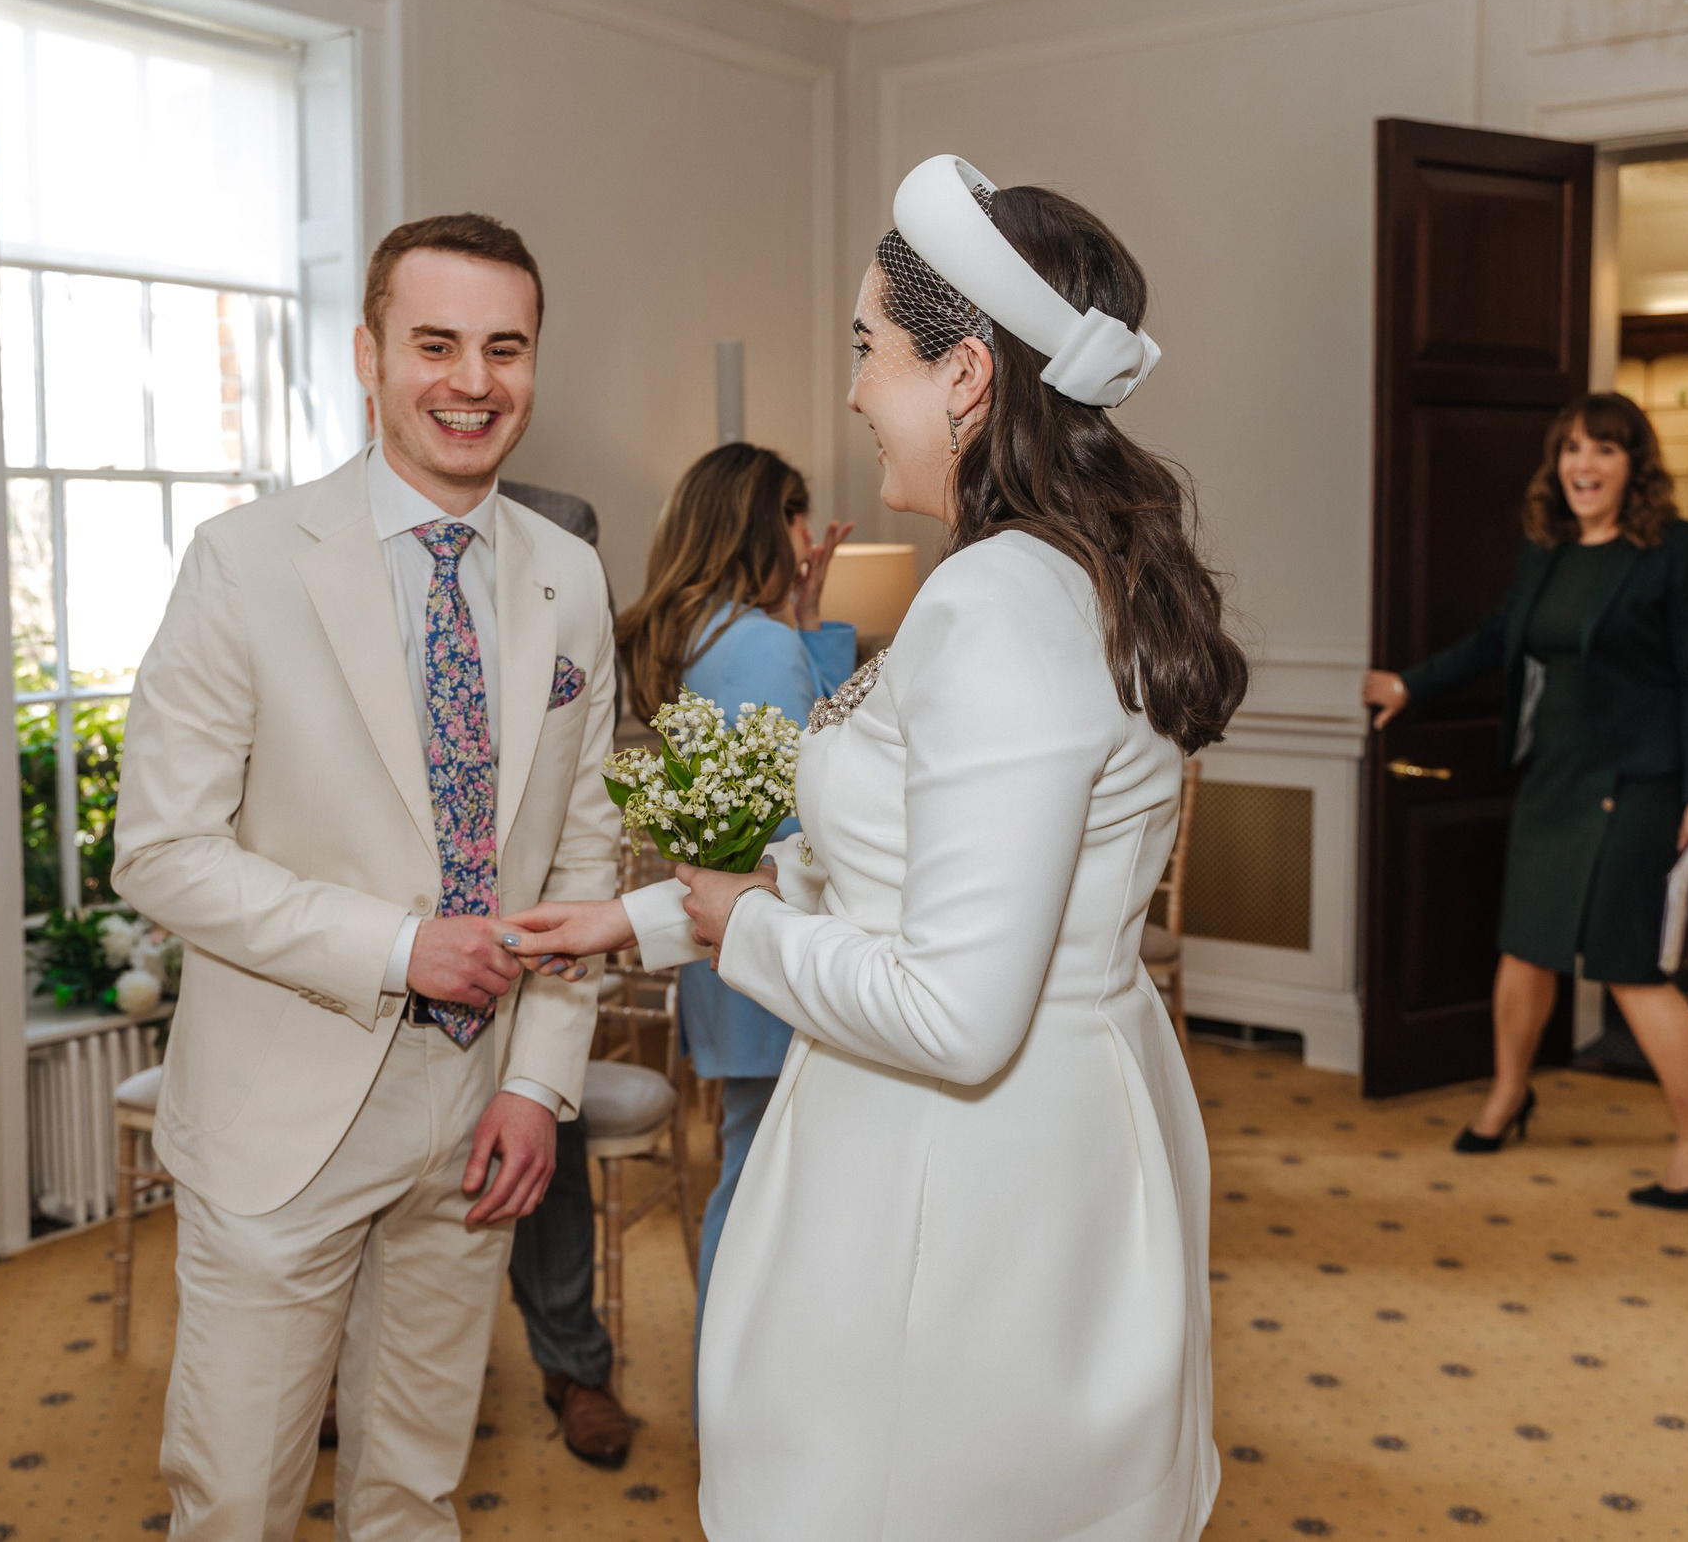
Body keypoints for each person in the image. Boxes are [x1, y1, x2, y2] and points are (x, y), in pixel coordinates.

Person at [508, 156, 1237, 1541]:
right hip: (1061, 1115)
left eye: (868, 349)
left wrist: (732, 928)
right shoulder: (1073, 572)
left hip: (954, 1170)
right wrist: (647, 923)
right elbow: (905, 875)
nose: (852, 391)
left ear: (966, 376)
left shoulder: (995, 607)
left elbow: (956, 1016)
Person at [112, 212, 617, 1541]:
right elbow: (160, 851)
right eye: (436, 343)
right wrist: (398, 947)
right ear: (367, 353)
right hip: (283, 1112)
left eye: (504, 348)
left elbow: (582, 852)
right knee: (235, 1500)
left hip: (474, 1111)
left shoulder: (568, 579)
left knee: (415, 1488)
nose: (473, 380)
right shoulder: (244, 561)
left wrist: (535, 1082)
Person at [1361, 394, 1688, 1209]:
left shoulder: (1683, 553)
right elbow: (1503, 637)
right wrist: (1412, 684)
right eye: (1572, 449)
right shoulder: (1548, 548)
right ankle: (1509, 1093)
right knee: (1525, 947)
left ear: (1635, 465)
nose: (1584, 465)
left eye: (1604, 450)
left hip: (1640, 784)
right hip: (1555, 778)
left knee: (1629, 968)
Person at [613, 443, 853, 1331]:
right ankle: (733, 1392)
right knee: (761, 1187)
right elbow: (827, 792)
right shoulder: (759, 646)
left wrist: (808, 614)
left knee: (749, 1167)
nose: (806, 536)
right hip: (773, 931)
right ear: (763, 525)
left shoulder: (703, 636)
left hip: (721, 941)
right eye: (797, 516)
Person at [488, 475, 635, 1469]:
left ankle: (574, 1362)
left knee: (554, 1170)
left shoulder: (568, 550)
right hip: (392, 955)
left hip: (543, 945)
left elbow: (588, 818)